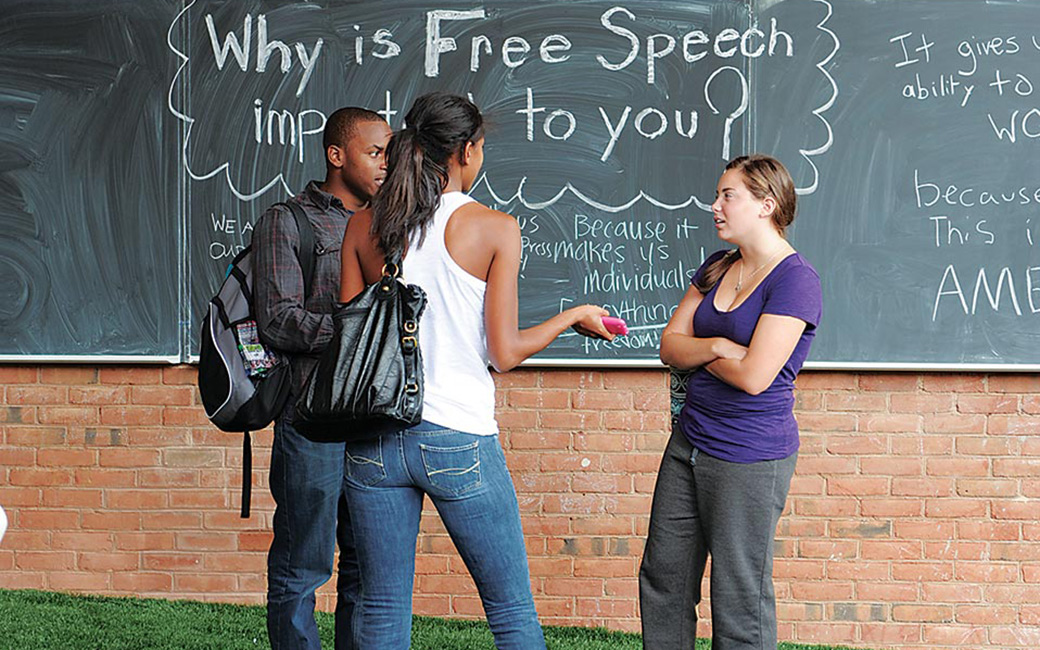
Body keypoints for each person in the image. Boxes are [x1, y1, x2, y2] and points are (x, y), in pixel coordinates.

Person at [337, 91, 615, 649]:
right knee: (510, 612)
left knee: (382, 609)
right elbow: (504, 352)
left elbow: (346, 334)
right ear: (465, 151)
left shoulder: (363, 226)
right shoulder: (493, 228)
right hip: (456, 436)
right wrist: (572, 317)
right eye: (481, 147)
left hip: (370, 440)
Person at [639, 155, 822, 650]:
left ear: (766, 205)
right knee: (664, 577)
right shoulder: (718, 266)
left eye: (727, 196)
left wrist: (700, 353)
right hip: (689, 442)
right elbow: (667, 346)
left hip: (749, 456)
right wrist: (719, 347)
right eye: (718, 195)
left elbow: (756, 376)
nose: (714, 206)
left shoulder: (795, 281)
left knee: (738, 595)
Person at [253, 107, 391, 650]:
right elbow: (279, 320)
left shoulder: (391, 227)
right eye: (374, 152)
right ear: (337, 155)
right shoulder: (288, 221)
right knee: (302, 563)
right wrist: (360, 333)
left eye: (389, 152)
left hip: (374, 422)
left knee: (366, 565)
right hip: (309, 420)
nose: (386, 163)